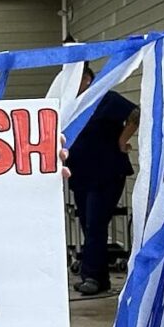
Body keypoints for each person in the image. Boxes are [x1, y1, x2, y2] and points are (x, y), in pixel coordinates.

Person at [66, 63, 139, 296]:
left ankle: (90, 277)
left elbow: (135, 115)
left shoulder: (105, 98)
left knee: (95, 224)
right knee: (88, 223)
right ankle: (101, 278)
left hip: (106, 172)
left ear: (87, 79)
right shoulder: (73, 105)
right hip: (82, 173)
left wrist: (121, 141)